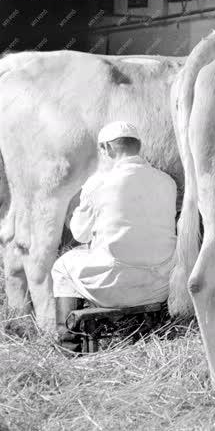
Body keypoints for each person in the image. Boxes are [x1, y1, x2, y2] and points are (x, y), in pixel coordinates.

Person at [51, 121, 177, 353]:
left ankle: (68, 344)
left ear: (107, 149)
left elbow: (80, 234)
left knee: (62, 266)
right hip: (161, 286)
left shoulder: (98, 183)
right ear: (138, 146)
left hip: (114, 286)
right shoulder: (167, 182)